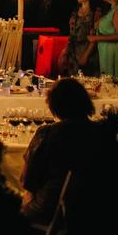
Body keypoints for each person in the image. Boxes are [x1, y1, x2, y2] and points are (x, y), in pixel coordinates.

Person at [20, 78, 95, 223]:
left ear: (54, 105)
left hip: (52, 208)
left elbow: (28, 180)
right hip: (93, 207)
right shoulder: (101, 131)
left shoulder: (47, 134)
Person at [63, 0, 102, 76]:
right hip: (74, 53)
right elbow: (71, 35)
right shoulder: (75, 13)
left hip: (89, 53)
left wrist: (86, 55)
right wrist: (65, 52)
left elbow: (95, 36)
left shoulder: (95, 14)